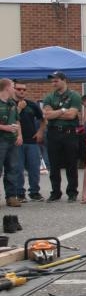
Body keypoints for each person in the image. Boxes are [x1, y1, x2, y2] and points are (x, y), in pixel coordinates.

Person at [42, 71, 82, 202]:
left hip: (69, 133)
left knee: (71, 163)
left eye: (56, 80)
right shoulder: (49, 97)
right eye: (52, 81)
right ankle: (55, 191)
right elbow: (47, 115)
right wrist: (63, 110)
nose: (53, 83)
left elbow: (72, 115)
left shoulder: (74, 95)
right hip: (54, 133)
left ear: (64, 80)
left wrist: (56, 113)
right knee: (54, 164)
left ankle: (72, 192)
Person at [12, 82, 45, 202]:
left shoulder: (32, 104)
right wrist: (19, 108)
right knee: (18, 168)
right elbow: (11, 118)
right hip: (16, 141)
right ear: (14, 90)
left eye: (24, 90)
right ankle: (19, 193)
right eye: (19, 89)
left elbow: (42, 119)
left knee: (34, 168)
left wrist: (40, 131)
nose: (22, 92)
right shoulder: (10, 104)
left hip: (32, 140)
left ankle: (34, 192)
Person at [0, 79, 22, 208]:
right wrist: (5, 128)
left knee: (12, 168)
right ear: (7, 87)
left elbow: (17, 121)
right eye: (13, 86)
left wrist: (19, 135)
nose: (15, 89)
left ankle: (11, 197)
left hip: (12, 140)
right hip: (1, 139)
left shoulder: (12, 103)